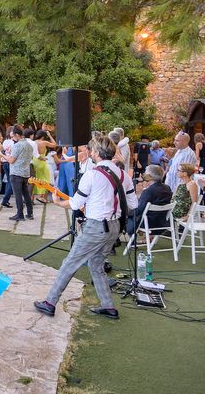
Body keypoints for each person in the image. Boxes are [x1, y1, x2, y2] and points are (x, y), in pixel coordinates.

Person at [35, 135, 138, 320]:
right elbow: (133, 204)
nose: (89, 152)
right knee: (96, 264)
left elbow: (75, 204)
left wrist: (58, 203)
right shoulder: (124, 175)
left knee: (70, 262)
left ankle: (50, 303)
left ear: (96, 153)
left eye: (90, 149)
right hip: (114, 228)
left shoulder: (92, 174)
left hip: (96, 227)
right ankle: (108, 306)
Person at [126, 165, 173, 236]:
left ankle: (132, 242)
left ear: (150, 176)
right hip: (162, 222)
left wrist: (126, 213)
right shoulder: (167, 188)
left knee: (127, 214)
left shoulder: (148, 191)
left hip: (148, 223)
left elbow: (139, 210)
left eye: (145, 173)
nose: (143, 175)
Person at [0, 127, 34, 221]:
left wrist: (2, 155)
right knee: (26, 194)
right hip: (25, 172)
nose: (12, 139)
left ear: (17, 135)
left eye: (13, 137)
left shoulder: (18, 145)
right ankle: (30, 213)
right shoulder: (29, 145)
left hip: (16, 173)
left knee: (18, 194)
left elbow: (11, 160)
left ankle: (20, 214)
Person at [33, 130, 58, 203]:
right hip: (42, 161)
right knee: (46, 179)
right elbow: (54, 144)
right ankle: (43, 197)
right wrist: (50, 136)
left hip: (34, 161)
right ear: (43, 136)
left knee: (35, 179)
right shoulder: (44, 142)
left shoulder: (33, 142)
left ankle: (33, 198)